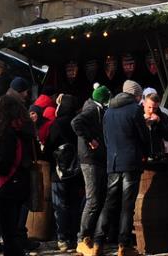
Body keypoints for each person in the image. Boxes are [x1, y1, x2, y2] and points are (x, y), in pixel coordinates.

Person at [78, 80, 149, 256]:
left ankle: (97, 243)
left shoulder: (108, 112)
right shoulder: (135, 110)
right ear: (135, 95)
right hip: (130, 162)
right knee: (127, 205)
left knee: (109, 203)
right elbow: (143, 136)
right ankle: (124, 246)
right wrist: (146, 151)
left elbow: (106, 138)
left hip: (113, 163)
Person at [0, 95, 34, 256]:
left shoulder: (8, 133)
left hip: (7, 185)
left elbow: (2, 165)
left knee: (8, 234)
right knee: (13, 231)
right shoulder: (25, 130)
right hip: (21, 184)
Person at [72, 85, 111, 253]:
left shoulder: (97, 109)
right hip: (90, 159)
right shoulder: (91, 109)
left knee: (97, 199)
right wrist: (90, 139)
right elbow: (76, 122)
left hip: (96, 159)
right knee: (93, 199)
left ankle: (89, 236)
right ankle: (82, 238)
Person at [45, 94, 83, 252]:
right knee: (74, 204)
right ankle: (74, 237)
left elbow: (48, 148)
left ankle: (62, 238)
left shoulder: (56, 124)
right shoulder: (77, 122)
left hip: (58, 172)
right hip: (75, 171)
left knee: (60, 205)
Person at [142, 91, 168, 159]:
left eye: (155, 108)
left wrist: (159, 122)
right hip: (142, 158)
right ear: (144, 104)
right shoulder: (137, 116)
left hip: (158, 156)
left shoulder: (163, 116)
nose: (151, 111)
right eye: (149, 107)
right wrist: (142, 122)